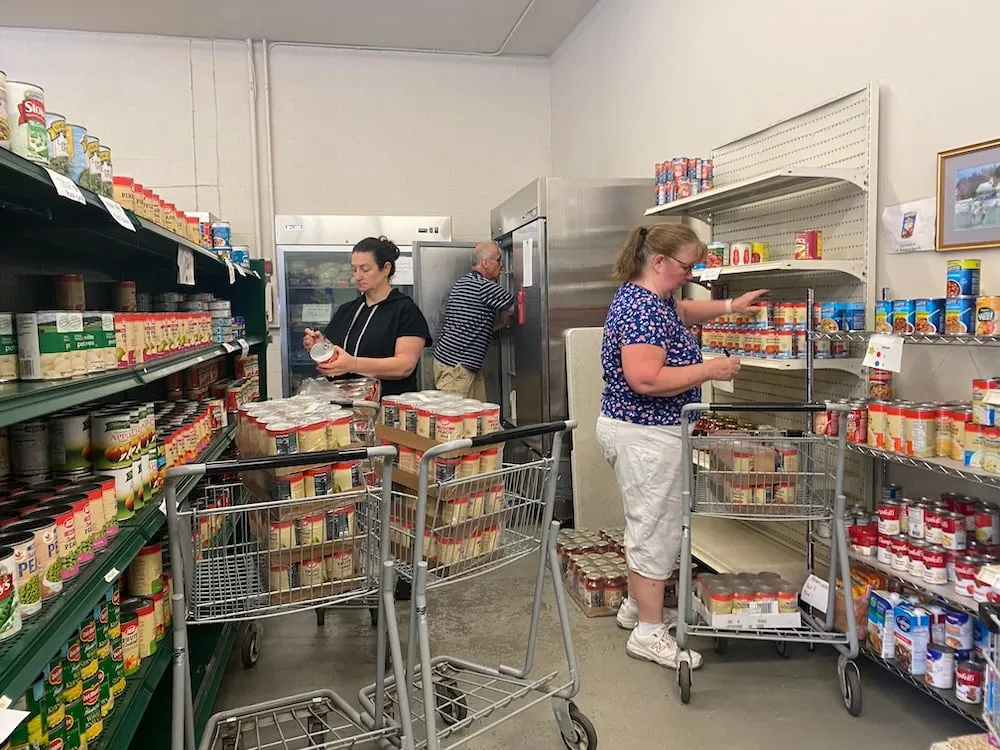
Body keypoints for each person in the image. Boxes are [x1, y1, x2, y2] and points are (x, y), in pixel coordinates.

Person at [596, 222, 767, 671]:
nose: (689, 276)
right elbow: (646, 378)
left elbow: (685, 313)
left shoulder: (655, 300)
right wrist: (709, 370)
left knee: (645, 523)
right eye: (686, 267)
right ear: (658, 262)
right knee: (656, 530)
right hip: (646, 434)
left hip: (640, 430)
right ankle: (649, 634)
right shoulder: (642, 310)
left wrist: (731, 305)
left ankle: (639, 609)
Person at [302, 236, 432, 397]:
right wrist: (321, 348)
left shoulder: (405, 311)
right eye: (354, 269)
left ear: (385, 269)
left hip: (387, 408)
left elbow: (404, 366)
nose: (357, 276)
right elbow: (337, 355)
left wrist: (353, 364)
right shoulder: (347, 310)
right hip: (343, 405)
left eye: (365, 269)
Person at [432, 242, 515, 400]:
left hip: (459, 365)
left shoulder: (463, 283)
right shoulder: (483, 286)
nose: (502, 265)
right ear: (485, 263)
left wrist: (502, 323)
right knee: (454, 419)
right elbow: (518, 307)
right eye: (499, 260)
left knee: (477, 418)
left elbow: (472, 325)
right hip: (457, 368)